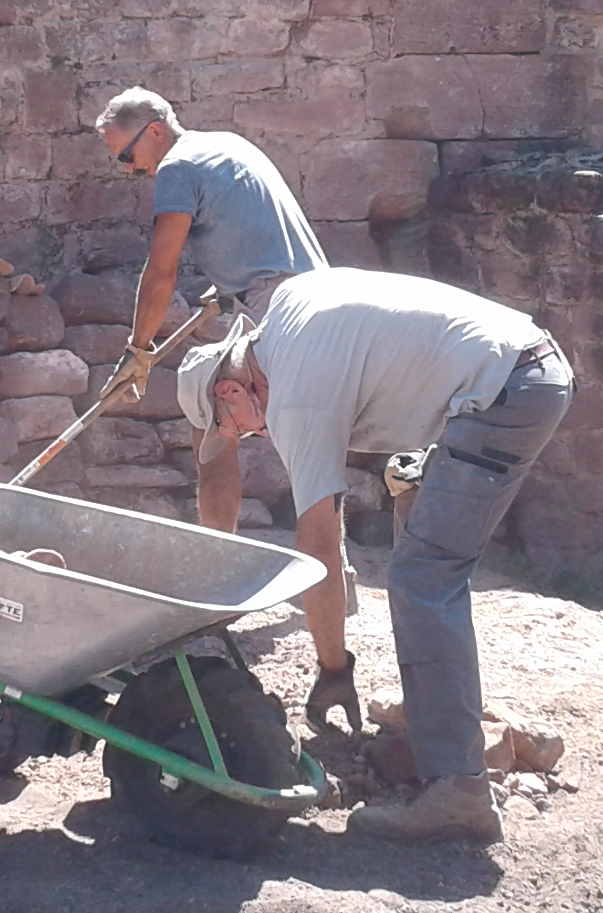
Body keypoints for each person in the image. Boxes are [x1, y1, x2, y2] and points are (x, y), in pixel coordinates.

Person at [176, 268, 574, 844]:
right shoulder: (286, 308)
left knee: (421, 577)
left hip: (504, 392)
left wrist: (334, 669)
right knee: (410, 492)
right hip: (521, 362)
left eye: (234, 429)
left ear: (231, 392)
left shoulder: (296, 401)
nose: (249, 438)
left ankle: (460, 793)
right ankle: (438, 725)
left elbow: (318, 548)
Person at [92, 88, 329, 538]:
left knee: (210, 409)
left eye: (127, 156)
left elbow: (160, 272)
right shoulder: (226, 143)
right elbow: (253, 226)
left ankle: (219, 556)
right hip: (316, 297)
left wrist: (138, 350)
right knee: (316, 439)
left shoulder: (177, 167)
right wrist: (227, 285)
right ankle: (336, 570)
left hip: (279, 308)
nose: (130, 169)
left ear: (155, 131)